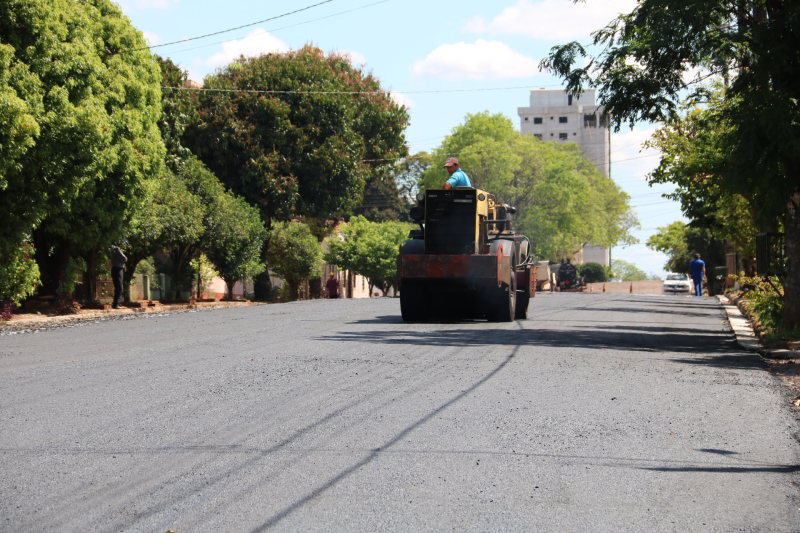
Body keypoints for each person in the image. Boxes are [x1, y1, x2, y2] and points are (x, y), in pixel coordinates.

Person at [110, 241, 127, 308]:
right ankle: (116, 304)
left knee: (120, 286)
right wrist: (125, 257)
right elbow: (124, 259)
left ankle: (118, 303)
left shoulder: (115, 249)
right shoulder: (117, 249)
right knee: (119, 286)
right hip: (117, 269)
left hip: (118, 268)